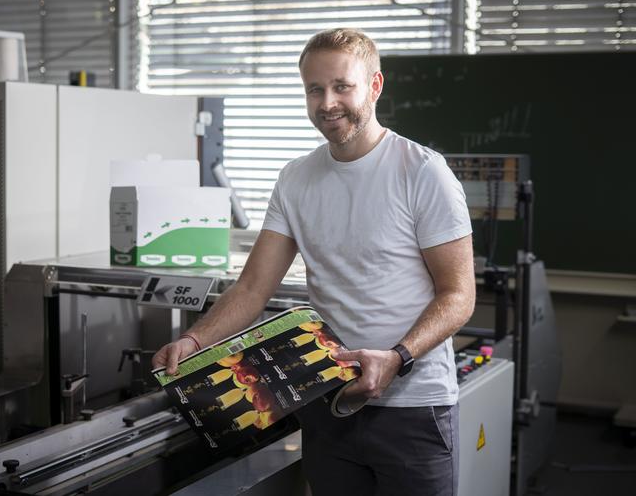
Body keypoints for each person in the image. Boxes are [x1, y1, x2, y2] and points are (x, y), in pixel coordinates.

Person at [153, 28, 475, 495]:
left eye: (342, 86)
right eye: (314, 89)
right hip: (326, 400)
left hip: (412, 408)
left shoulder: (423, 172)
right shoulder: (296, 179)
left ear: (375, 86)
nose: (328, 102)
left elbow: (459, 295)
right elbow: (251, 289)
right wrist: (195, 338)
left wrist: (396, 357)